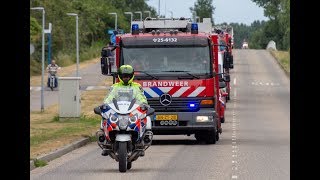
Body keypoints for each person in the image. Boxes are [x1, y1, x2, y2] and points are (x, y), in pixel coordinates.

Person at [100, 64, 150, 156]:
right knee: (105, 116)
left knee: (144, 118)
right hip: (118, 110)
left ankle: (141, 142)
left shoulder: (136, 86)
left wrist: (144, 104)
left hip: (131, 111)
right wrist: (105, 104)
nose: (126, 78)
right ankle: (106, 142)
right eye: (123, 76)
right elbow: (109, 96)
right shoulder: (115, 87)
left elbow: (141, 96)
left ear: (132, 76)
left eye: (128, 76)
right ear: (120, 76)